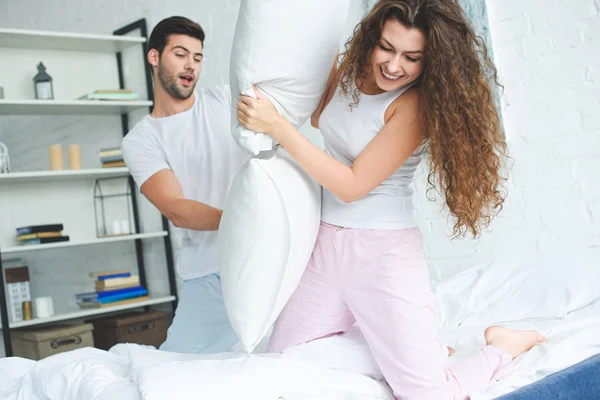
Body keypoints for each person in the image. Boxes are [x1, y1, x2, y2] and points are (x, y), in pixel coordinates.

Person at [236, 1, 546, 398]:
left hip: (382, 254)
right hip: (325, 245)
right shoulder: (350, 70)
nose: (394, 65)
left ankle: (501, 346)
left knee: (428, 396)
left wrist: (276, 126)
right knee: (283, 360)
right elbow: (318, 117)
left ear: (431, 61)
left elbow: (351, 185)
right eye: (387, 47)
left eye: (412, 57)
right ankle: (420, 353)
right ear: (372, 38)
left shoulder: (413, 106)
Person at [122, 16, 248, 354]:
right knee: (175, 370)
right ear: (154, 57)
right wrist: (248, 220)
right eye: (180, 54)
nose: (190, 64)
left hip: (259, 257)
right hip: (207, 275)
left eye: (197, 56)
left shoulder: (224, 101)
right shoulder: (141, 140)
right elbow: (176, 209)